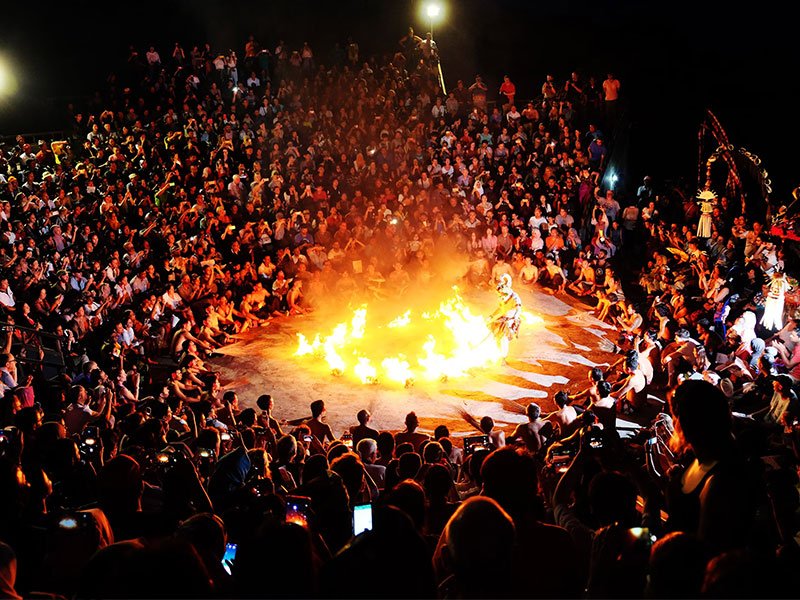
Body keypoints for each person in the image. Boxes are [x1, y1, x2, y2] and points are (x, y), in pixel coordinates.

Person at [487, 274, 522, 357]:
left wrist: (513, 319)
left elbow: (518, 310)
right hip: (504, 317)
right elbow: (500, 308)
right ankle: (493, 348)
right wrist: (492, 316)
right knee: (491, 329)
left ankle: (503, 357)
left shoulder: (515, 298)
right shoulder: (503, 297)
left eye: (501, 295)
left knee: (504, 339)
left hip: (511, 319)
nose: (500, 296)